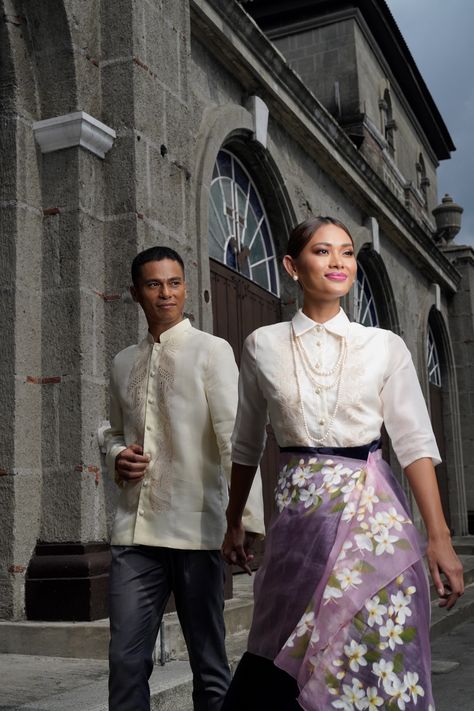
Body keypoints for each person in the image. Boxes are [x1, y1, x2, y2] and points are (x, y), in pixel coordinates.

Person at [221, 217, 464, 711]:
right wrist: (233, 522)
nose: (338, 262)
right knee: (279, 656)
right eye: (322, 251)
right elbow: (246, 444)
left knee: (372, 657)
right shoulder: (261, 345)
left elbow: (414, 442)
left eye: (347, 252)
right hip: (298, 528)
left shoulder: (384, 347)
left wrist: (438, 538)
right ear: (291, 265)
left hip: (374, 527)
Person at [104, 245, 264, 711]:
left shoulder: (212, 351)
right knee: (125, 663)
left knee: (210, 666)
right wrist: (117, 454)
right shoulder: (120, 362)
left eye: (174, 283)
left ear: (186, 288)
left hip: (197, 532)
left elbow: (238, 438)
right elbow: (112, 429)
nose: (165, 293)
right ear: (136, 293)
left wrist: (240, 520)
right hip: (135, 533)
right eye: (154, 284)